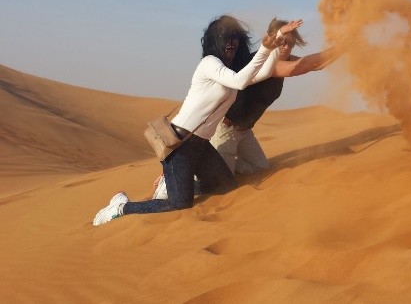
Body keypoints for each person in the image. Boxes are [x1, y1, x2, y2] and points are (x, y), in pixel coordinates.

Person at [92, 15, 302, 226]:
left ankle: (176, 184)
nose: (231, 43)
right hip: (180, 145)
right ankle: (121, 207)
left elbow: (262, 73)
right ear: (214, 40)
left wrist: (276, 43)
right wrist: (266, 47)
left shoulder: (228, 72)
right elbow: (240, 82)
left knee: (226, 186)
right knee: (179, 204)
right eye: (225, 38)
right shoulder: (209, 64)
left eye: (235, 38)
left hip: (201, 145)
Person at [150, 18, 339, 199]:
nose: (285, 47)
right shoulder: (264, 62)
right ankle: (172, 181)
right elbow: (298, 67)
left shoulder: (283, 59)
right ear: (273, 39)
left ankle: (222, 167)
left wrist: (344, 47)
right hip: (226, 129)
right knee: (219, 185)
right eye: (282, 41)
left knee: (260, 168)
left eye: (290, 43)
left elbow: (316, 64)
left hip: (245, 131)